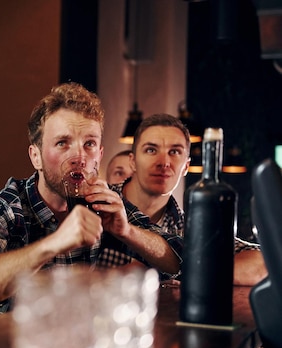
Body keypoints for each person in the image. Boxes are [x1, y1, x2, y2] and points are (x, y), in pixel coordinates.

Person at [0, 83, 183, 324]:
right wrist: (57, 241)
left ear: (99, 155)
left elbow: (179, 260)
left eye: (88, 144)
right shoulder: (0, 206)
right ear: (36, 156)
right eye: (63, 143)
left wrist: (127, 231)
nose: (78, 157)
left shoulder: (104, 203)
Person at [97, 113, 266, 286]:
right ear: (133, 161)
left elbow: (263, 264)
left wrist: (182, 274)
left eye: (175, 152)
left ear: (186, 166)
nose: (164, 162)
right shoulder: (99, 204)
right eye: (151, 150)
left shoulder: (190, 228)